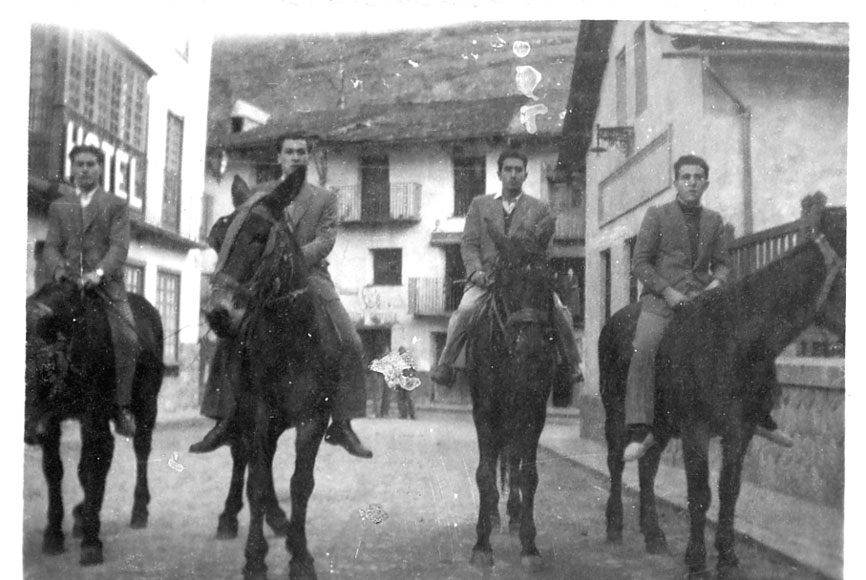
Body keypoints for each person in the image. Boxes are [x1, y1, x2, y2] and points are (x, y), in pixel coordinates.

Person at [189, 135, 372, 458]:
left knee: (350, 340)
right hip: (261, 281)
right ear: (279, 157)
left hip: (309, 277)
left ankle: (342, 422)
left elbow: (326, 239)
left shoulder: (324, 198)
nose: (296, 157)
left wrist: (292, 260)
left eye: (302, 152)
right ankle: (224, 418)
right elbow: (237, 230)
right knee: (230, 335)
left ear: (308, 157)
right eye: (289, 151)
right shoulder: (258, 194)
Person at [623, 154, 791, 462]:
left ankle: (760, 414)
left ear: (706, 184)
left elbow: (724, 264)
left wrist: (716, 284)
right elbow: (639, 262)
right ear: (675, 183)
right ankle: (639, 428)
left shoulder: (714, 221)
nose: (691, 183)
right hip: (662, 302)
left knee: (751, 341)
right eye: (685, 177)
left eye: (698, 177)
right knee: (644, 348)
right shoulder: (656, 215)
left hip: (704, 304)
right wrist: (668, 292)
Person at [429, 149, 583, 389]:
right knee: (464, 311)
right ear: (499, 173)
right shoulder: (479, 205)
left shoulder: (539, 209)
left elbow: (546, 249)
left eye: (518, 170)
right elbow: (469, 243)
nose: (513, 175)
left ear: (525, 174)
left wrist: (529, 267)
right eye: (508, 170)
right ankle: (446, 364)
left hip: (524, 280)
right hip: (486, 280)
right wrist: (475, 271)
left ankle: (572, 364)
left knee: (560, 311)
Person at [43, 144, 138, 438]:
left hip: (106, 287)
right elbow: (51, 246)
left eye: (90, 164)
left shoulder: (116, 205)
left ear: (100, 168)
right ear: (72, 169)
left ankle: (122, 406)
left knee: (128, 337)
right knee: (37, 326)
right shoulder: (59, 207)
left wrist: (97, 274)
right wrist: (60, 270)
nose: (84, 169)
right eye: (79, 164)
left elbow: (119, 247)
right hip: (67, 286)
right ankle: (40, 406)